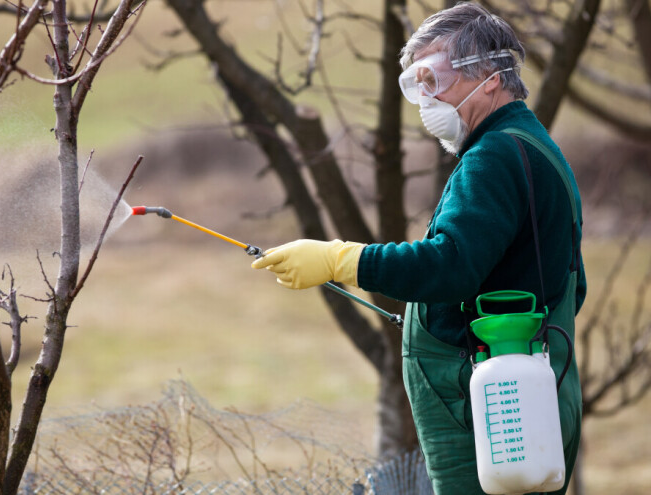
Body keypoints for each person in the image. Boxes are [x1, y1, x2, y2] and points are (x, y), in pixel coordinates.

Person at [251, 3, 585, 494]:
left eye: (435, 79)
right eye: (417, 84)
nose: (426, 98)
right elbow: (564, 285)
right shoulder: (529, 145)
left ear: (491, 78)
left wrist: (340, 259)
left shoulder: (494, 156)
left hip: (495, 414)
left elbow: (450, 266)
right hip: (520, 405)